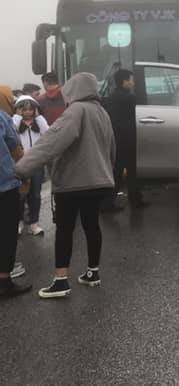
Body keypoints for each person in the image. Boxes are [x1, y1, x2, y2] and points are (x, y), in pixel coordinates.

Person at [15, 72, 116, 299]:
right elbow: (112, 148)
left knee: (64, 230)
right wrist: (108, 173)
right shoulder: (102, 112)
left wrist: (20, 169)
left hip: (73, 182)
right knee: (92, 226)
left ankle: (61, 281)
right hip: (98, 181)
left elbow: (50, 143)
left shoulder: (76, 111)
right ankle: (92, 273)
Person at [0, 85, 32, 298]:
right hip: (4, 185)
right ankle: (4, 281)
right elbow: (14, 144)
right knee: (6, 233)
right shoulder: (2, 118)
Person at [104, 69, 146, 210]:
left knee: (117, 170)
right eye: (131, 80)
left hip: (116, 138)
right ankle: (134, 200)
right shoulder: (129, 98)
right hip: (128, 138)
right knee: (131, 171)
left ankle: (109, 202)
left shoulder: (111, 97)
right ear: (124, 81)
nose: (133, 83)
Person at [13, 95, 49, 236]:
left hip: (36, 165)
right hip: (20, 164)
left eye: (31, 109)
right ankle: (19, 222)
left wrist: (39, 118)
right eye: (24, 109)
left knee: (35, 194)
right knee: (20, 196)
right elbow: (10, 130)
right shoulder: (15, 124)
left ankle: (34, 223)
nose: (28, 112)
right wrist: (17, 116)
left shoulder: (38, 124)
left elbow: (48, 133)